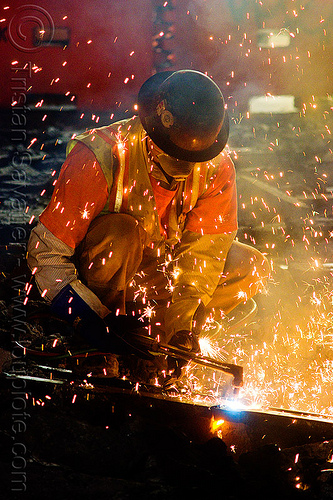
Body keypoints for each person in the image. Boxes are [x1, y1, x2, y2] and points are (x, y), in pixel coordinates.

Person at [27, 69, 269, 377]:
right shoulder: (100, 156)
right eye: (175, 157)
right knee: (121, 233)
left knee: (249, 264)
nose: (184, 170)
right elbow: (44, 256)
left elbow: (204, 257)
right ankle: (102, 350)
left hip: (157, 276)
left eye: (193, 160)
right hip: (100, 281)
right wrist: (94, 321)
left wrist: (182, 329)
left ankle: (162, 347)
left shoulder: (215, 167)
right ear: (153, 130)